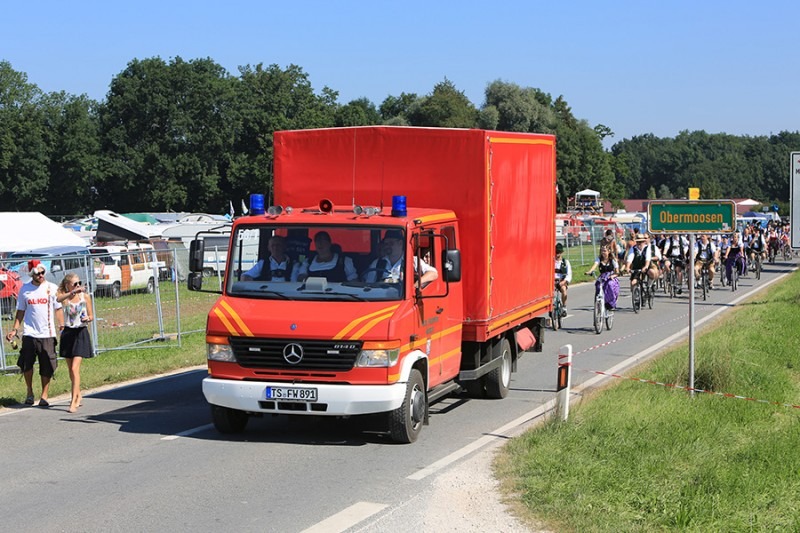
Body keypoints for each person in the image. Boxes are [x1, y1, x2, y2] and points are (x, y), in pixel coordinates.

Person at [5, 260, 64, 407]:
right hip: (30, 333)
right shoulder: (25, 289)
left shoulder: (52, 288)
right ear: (32, 274)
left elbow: (58, 308)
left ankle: (44, 395)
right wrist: (14, 329)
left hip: (47, 333)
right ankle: (30, 392)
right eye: (38, 274)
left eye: (43, 272)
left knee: (47, 365)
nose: (41, 275)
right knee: (26, 364)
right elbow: (20, 311)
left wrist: (62, 325)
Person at [56, 273, 94, 413]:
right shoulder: (65, 298)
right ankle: (78, 393)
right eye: (75, 284)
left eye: (79, 283)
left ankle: (73, 401)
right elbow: (58, 299)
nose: (78, 286)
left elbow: (91, 315)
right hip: (68, 333)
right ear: (68, 285)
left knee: (74, 368)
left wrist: (88, 318)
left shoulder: (85, 297)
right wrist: (71, 293)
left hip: (80, 332)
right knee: (70, 369)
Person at [364, 229, 438, 287]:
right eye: (386, 243)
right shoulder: (377, 263)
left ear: (400, 243)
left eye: (391, 243)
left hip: (402, 298)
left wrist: (416, 285)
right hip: (382, 298)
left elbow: (433, 273)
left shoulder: (412, 261)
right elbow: (369, 285)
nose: (387, 246)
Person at [585, 246, 620, 310]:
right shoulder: (599, 259)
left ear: (609, 251)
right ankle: (598, 303)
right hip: (602, 277)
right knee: (598, 285)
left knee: (610, 285)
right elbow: (594, 266)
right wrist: (590, 271)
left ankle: (610, 303)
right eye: (602, 251)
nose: (603, 252)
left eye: (605, 251)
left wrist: (613, 276)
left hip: (610, 277)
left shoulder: (613, 260)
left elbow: (617, 272)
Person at [554, 243, 572, 316]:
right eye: (556, 252)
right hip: (553, 281)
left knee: (564, 290)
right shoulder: (551, 261)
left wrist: (564, 281)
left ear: (561, 252)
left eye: (559, 252)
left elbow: (569, 274)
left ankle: (564, 307)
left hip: (561, 281)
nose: (557, 254)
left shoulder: (565, 262)